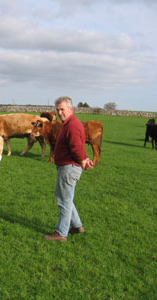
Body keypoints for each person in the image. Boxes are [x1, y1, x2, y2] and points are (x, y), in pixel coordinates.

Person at [44, 96, 93, 241]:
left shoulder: (72, 124)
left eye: (62, 109)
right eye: (57, 110)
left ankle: (61, 233)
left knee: (64, 200)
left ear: (70, 109)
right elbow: (79, 145)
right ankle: (77, 226)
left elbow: (76, 147)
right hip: (67, 166)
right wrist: (84, 159)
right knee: (65, 197)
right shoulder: (69, 123)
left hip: (69, 167)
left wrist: (83, 159)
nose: (59, 112)